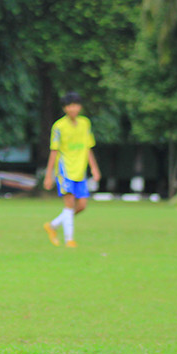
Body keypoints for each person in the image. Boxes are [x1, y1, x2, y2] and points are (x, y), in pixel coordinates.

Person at [43, 92, 101, 248]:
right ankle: (69, 240)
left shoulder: (85, 123)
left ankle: (53, 225)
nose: (73, 109)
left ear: (80, 107)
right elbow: (54, 151)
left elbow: (88, 147)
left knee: (81, 206)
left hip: (80, 170)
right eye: (69, 106)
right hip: (65, 170)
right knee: (68, 205)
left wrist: (94, 168)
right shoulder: (59, 126)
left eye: (75, 105)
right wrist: (48, 175)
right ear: (65, 108)